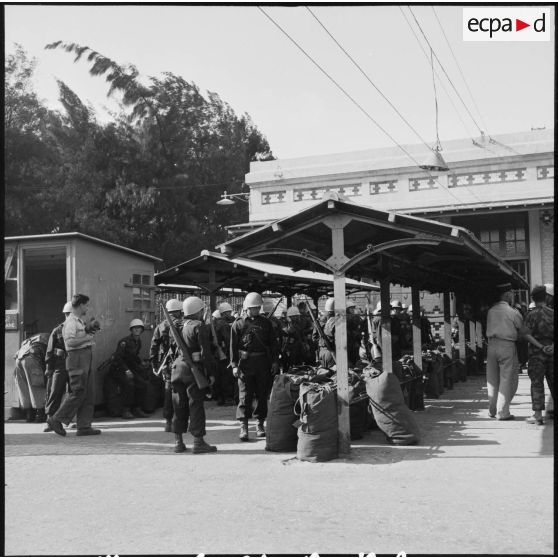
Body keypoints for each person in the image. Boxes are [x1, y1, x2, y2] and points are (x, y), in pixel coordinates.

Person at [47, 293, 102, 437]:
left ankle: (84, 426)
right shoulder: (71, 322)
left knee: (88, 393)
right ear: (81, 305)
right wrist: (87, 340)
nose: (88, 308)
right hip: (77, 359)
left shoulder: (79, 321)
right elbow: (69, 343)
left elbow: (80, 337)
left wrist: (90, 331)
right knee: (78, 391)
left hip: (84, 358)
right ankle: (56, 419)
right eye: (87, 305)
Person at [171, 296, 218, 453]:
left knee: (179, 405)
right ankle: (198, 442)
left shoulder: (176, 325)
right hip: (193, 370)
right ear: (198, 311)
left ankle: (178, 442)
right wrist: (210, 373)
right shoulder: (199, 327)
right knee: (195, 405)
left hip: (177, 368)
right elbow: (206, 354)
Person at [230, 292, 279, 441]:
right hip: (245, 364)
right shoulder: (238, 324)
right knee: (244, 395)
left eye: (258, 308)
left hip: (262, 363)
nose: (256, 310)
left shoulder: (266, 323)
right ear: (247, 308)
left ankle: (260, 424)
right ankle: (243, 427)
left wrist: (275, 362)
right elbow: (232, 346)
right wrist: (234, 365)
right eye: (253, 308)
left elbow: (273, 344)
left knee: (262, 394)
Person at [485, 283, 523, 420]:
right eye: (511, 294)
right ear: (507, 295)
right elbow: (521, 328)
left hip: (491, 345)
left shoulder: (491, 311)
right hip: (507, 345)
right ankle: (503, 412)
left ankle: (492, 410)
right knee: (507, 378)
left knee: (492, 379)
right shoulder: (513, 312)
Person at [520, 285, 554, 425]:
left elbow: (525, 334)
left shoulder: (530, 315)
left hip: (536, 354)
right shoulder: (552, 313)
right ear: (546, 297)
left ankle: (538, 415)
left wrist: (541, 346)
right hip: (552, 353)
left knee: (536, 383)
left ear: (533, 298)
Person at [150, 298, 183, 431]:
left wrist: (154, 364)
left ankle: (168, 421)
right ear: (179, 312)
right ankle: (179, 420)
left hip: (166, 364)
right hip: (180, 363)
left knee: (168, 392)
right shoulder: (182, 324)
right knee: (181, 392)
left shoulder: (161, 326)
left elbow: (154, 346)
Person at [108, 319, 150, 419]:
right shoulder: (124, 342)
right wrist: (126, 370)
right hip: (118, 368)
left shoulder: (138, 341)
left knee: (142, 384)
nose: (137, 330)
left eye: (139, 328)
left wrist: (141, 364)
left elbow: (134, 357)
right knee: (129, 384)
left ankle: (136, 408)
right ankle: (126, 410)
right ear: (131, 330)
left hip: (129, 367)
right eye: (135, 328)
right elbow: (118, 358)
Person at [43, 302, 73, 432]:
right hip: (60, 365)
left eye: (70, 314)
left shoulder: (78, 329)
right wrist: (49, 368)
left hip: (73, 365)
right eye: (67, 314)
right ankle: (50, 421)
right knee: (54, 392)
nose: (68, 316)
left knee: (73, 393)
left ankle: (68, 420)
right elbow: (49, 351)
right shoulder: (57, 330)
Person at [14, 332, 50, 423]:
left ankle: (29, 415)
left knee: (24, 387)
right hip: (32, 358)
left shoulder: (30, 340)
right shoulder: (49, 339)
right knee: (36, 385)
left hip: (19, 359)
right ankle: (40, 415)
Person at [211, 302, 236, 405]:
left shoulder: (215, 323)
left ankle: (220, 398)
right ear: (226, 313)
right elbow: (228, 340)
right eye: (229, 312)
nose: (230, 314)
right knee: (227, 377)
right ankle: (228, 398)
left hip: (217, 354)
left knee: (219, 377)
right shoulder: (224, 325)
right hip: (225, 354)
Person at [281, 306, 306, 371]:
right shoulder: (286, 325)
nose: (298, 317)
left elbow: (301, 337)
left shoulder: (297, 325)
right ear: (291, 316)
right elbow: (287, 334)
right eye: (296, 316)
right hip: (290, 351)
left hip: (297, 350)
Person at [315, 297, 336, 368]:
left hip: (322, 351)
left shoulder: (320, 320)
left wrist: (322, 342)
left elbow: (314, 337)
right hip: (332, 352)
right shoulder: (335, 321)